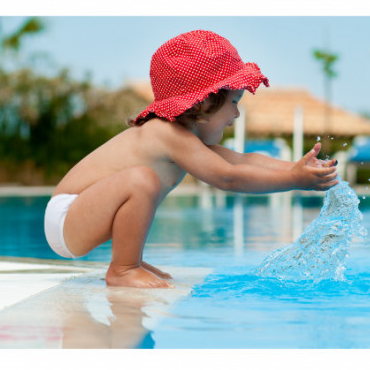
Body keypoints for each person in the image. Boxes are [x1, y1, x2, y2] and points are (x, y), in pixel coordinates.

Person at [44, 30, 338, 289]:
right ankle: (123, 268)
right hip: (67, 217)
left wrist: (296, 168)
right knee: (140, 180)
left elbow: (240, 161)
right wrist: (294, 180)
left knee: (139, 181)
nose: (237, 114)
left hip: (81, 214)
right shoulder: (165, 134)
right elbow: (227, 177)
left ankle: (130, 262)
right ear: (205, 103)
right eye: (234, 103)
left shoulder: (186, 140)